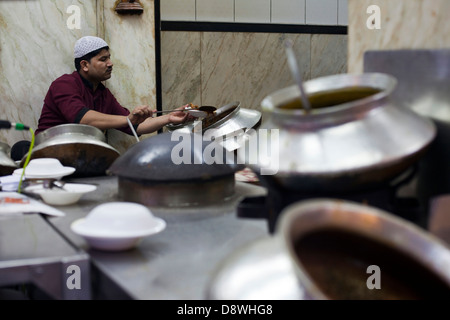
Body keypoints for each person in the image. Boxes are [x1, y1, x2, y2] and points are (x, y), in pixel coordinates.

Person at [35, 36, 190, 136]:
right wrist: (129, 119)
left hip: (79, 157)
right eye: (103, 59)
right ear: (85, 65)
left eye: (109, 58)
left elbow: (135, 126)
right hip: (47, 155)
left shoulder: (103, 93)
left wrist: (169, 118)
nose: (110, 64)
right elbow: (83, 119)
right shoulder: (64, 84)